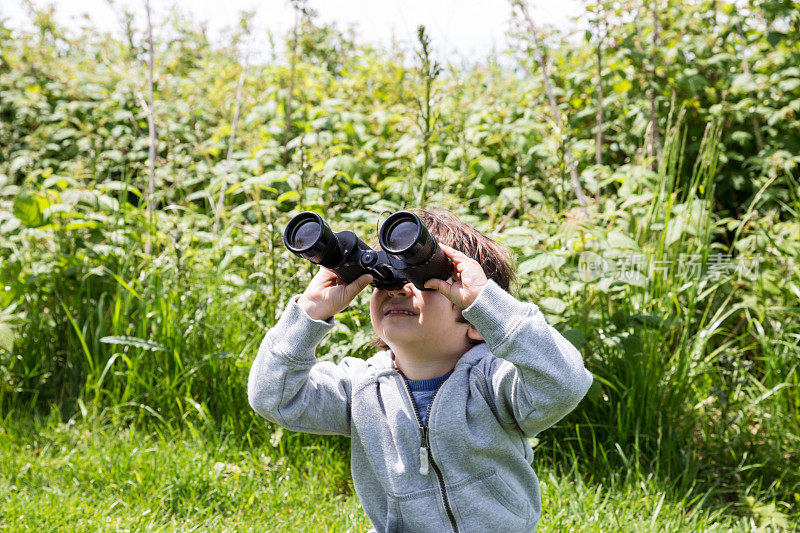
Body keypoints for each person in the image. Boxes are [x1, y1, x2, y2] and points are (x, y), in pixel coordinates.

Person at [248, 208, 593, 532]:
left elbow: (565, 382)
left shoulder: (495, 385)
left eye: (421, 278)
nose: (397, 288)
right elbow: (272, 397)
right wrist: (309, 311)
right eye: (384, 282)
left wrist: (487, 303)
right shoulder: (360, 389)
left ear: (476, 318)